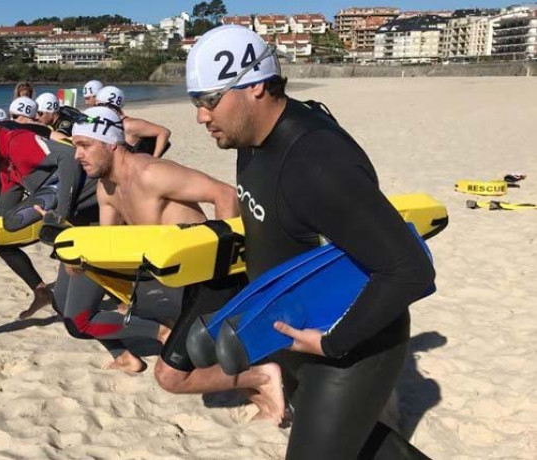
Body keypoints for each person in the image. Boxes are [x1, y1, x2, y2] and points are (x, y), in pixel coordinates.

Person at [187, 25, 433, 459]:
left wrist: (333, 342)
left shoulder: (315, 161)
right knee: (355, 443)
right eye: (196, 103)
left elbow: (411, 269)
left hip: (351, 343)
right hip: (298, 329)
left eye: (209, 101)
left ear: (256, 87)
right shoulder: (252, 139)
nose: (201, 117)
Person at [63, 106, 285, 421]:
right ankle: (270, 402)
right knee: (201, 352)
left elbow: (225, 195)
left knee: (171, 376)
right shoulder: (106, 189)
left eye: (84, 145)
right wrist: (82, 262)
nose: (77, 156)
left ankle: (264, 377)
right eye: (75, 147)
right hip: (177, 282)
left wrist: (227, 264)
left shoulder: (151, 173)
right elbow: (108, 243)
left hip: (210, 276)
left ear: (111, 142)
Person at [0, 102, 98, 319]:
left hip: (86, 196)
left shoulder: (16, 142)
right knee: (2, 231)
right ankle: (41, 291)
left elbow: (69, 157)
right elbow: (3, 213)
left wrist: (61, 216)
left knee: (79, 312)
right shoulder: (3, 161)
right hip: (61, 204)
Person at [95, 85, 172, 158]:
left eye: (97, 106)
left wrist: (154, 159)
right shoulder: (110, 124)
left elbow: (164, 132)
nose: (96, 109)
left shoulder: (128, 125)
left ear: (106, 105)